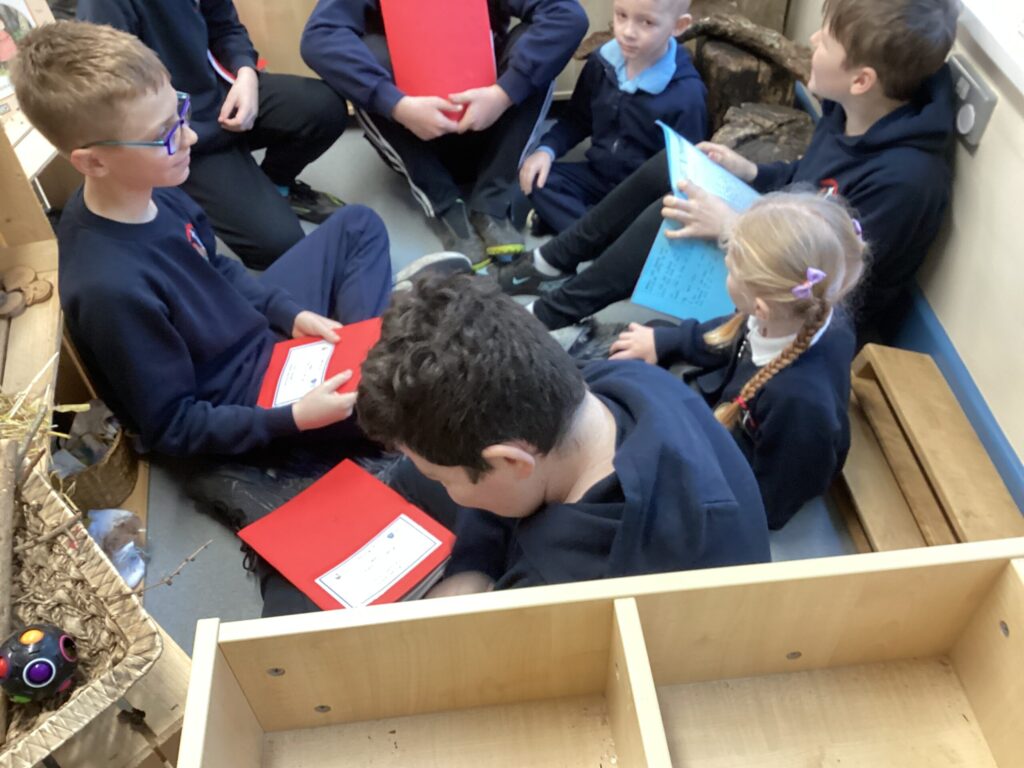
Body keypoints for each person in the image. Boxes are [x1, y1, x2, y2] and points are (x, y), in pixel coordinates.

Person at [11, 21, 467, 462]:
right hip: (244, 397)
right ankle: (371, 366)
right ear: (93, 163)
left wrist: (288, 312)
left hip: (252, 333)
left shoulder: (155, 189)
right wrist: (293, 419)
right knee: (414, 401)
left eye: (181, 113)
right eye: (163, 135)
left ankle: (362, 355)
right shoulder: (109, 288)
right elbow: (173, 426)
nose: (190, 136)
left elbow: (217, 267)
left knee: (357, 225)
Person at [496, 0, 959, 342]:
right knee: (672, 168)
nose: (814, 41)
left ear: (862, 80)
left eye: (828, 40)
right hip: (778, 233)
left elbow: (831, 285)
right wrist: (751, 171)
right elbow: (806, 182)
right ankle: (551, 261)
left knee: (675, 212)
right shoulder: (855, 110)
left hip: (795, 305)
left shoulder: (905, 183)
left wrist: (733, 227)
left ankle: (546, 316)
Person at [353, 274, 770, 600]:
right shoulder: (628, 380)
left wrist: (475, 585)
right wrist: (474, 564)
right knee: (416, 475)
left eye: (443, 478)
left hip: (657, 627)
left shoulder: (554, 586)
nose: (442, 484)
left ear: (510, 460)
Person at [611, 193, 864, 529]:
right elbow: (733, 331)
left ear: (761, 308)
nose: (725, 273)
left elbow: (771, 502)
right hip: (739, 415)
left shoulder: (798, 403)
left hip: (752, 481)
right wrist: (665, 341)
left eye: (730, 271)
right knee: (647, 353)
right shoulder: (800, 313)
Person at [300, 0, 589, 266]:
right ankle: (446, 206)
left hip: (491, 124)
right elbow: (319, 36)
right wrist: (396, 105)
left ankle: (492, 201)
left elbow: (567, 16)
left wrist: (503, 95)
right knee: (363, 57)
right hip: (415, 136)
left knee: (536, 46)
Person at [78, 0, 350, 269]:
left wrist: (245, 72)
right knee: (281, 245)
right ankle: (230, 192)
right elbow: (118, 100)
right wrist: (182, 133)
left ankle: (276, 185)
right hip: (183, 134)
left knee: (325, 107)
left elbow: (226, 27)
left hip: (221, 96)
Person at [520, 0, 706, 234]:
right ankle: (599, 238)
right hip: (597, 176)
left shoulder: (687, 95)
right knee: (538, 179)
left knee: (659, 218)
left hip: (641, 195)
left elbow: (686, 172)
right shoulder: (600, 63)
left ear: (678, 26)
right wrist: (546, 150)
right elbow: (576, 120)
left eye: (647, 22)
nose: (628, 32)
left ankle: (578, 232)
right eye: (621, 15)